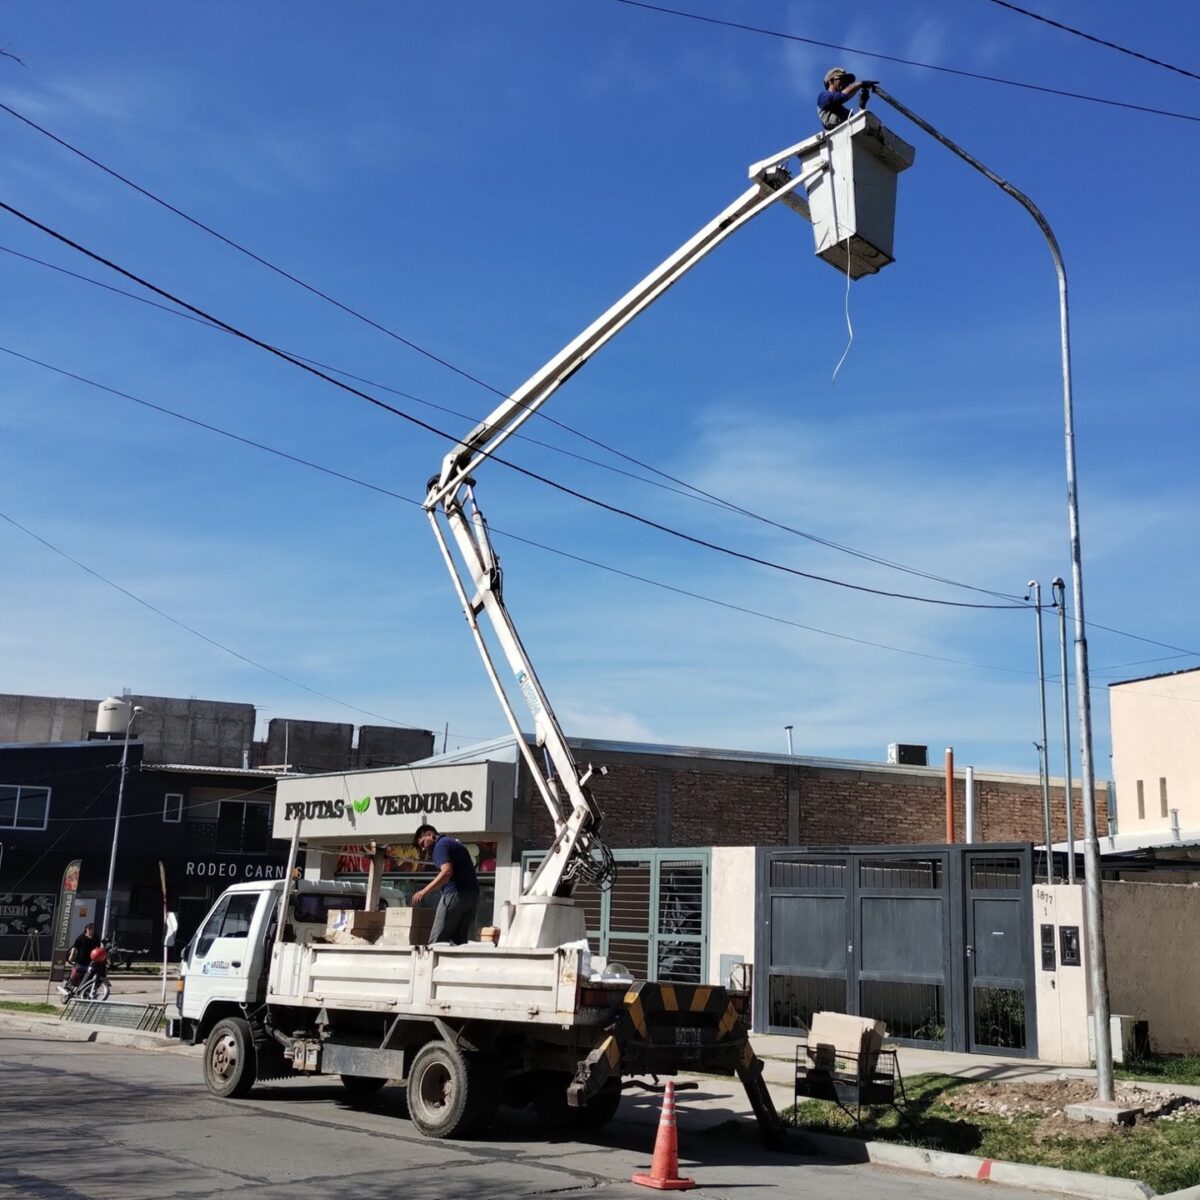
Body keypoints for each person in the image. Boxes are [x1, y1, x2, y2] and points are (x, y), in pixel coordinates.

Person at [411, 825, 480, 945]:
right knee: (459, 942)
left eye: (423, 844)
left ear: (430, 835)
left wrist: (424, 890)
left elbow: (447, 871)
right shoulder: (453, 843)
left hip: (455, 894)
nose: (423, 849)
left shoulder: (440, 846)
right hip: (472, 896)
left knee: (437, 942)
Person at [65, 922, 101, 988]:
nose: (91, 930)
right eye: (90, 928)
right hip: (81, 961)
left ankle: (88, 987)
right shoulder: (81, 938)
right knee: (82, 972)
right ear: (86, 929)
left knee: (95, 971)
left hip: (91, 961)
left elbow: (98, 948)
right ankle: (77, 985)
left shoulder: (96, 937)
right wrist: (71, 956)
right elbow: (74, 947)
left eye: (93, 928)